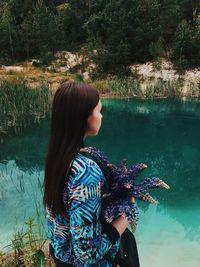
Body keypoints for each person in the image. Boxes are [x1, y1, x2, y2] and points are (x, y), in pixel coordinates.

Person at [43, 82, 140, 267]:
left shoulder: (58, 157)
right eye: (98, 110)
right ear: (84, 117)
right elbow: (88, 254)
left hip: (61, 255)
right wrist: (127, 214)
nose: (101, 116)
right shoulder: (85, 172)